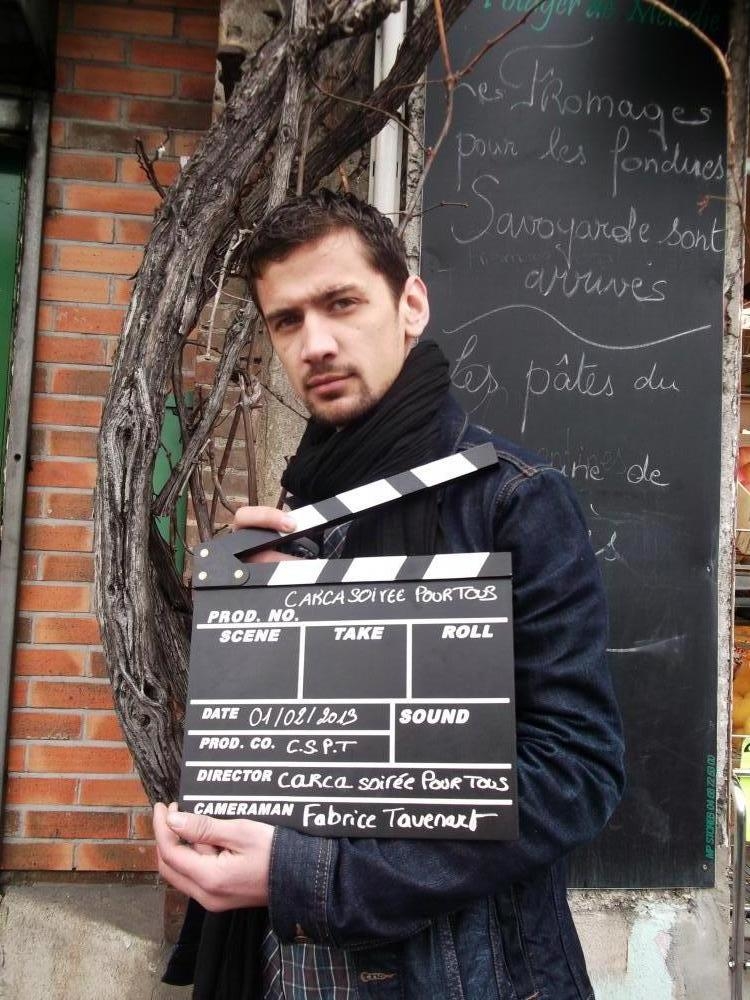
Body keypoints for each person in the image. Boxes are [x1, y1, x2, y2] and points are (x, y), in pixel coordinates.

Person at [154, 189, 625, 999]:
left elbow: (576, 770)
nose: (316, 343)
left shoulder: (513, 500)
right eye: (287, 321)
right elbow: (304, 754)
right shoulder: (296, 515)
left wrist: (310, 877)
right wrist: (253, 628)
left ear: (410, 305)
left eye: (342, 303)